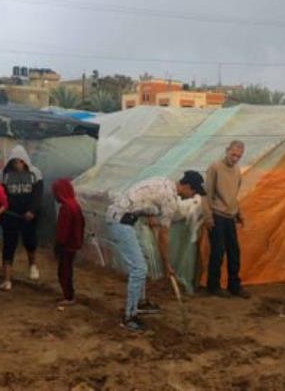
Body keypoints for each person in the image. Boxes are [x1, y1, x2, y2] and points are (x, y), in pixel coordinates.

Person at [106, 171, 206, 332]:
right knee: (139, 269)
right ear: (186, 186)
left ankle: (141, 302)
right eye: (193, 192)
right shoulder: (170, 200)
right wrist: (167, 263)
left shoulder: (163, 182)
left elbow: (144, 203)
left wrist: (152, 217)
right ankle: (129, 316)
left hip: (125, 218)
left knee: (142, 262)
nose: (192, 196)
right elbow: (163, 236)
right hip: (120, 222)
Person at [204, 140, 249, 298]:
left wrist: (239, 213)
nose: (235, 158)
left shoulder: (237, 170)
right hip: (217, 214)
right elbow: (206, 194)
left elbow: (233, 195)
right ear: (227, 150)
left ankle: (234, 285)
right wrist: (208, 217)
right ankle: (213, 286)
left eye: (239, 156)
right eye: (233, 154)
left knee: (234, 252)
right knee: (218, 252)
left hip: (230, 216)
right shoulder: (215, 167)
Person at [0, 145, 44, 291]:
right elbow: (1, 195)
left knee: (30, 242)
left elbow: (38, 194)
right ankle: (7, 279)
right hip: (10, 216)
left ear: (25, 161)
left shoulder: (35, 174)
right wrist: (3, 211)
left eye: (19, 161)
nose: (17, 164)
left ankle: (32, 266)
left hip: (28, 216)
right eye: (14, 162)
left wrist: (32, 210)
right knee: (8, 245)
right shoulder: (4, 175)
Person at [52, 178, 85, 306]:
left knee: (64, 271)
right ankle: (69, 295)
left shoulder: (66, 208)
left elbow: (62, 230)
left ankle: (68, 296)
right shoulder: (75, 205)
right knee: (68, 270)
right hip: (73, 245)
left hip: (66, 246)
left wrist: (57, 246)